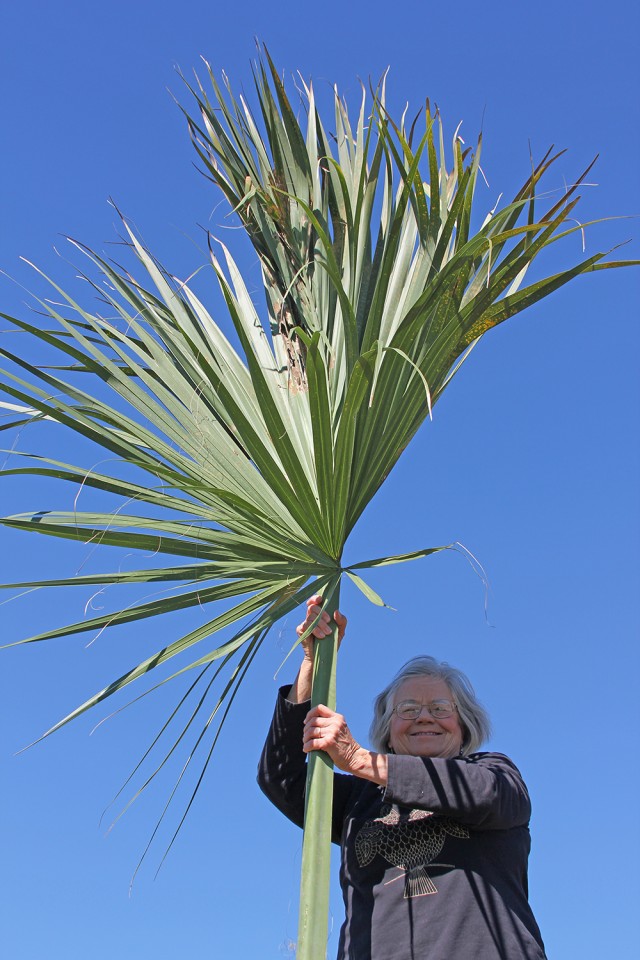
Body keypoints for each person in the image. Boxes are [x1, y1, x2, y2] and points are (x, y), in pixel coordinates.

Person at [258, 595, 547, 960]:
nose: (424, 717)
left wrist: (358, 759)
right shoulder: (359, 801)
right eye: (407, 709)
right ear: (388, 729)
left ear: (463, 724)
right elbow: (281, 778)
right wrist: (312, 664)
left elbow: (481, 794)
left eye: (440, 708)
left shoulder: (494, 772)